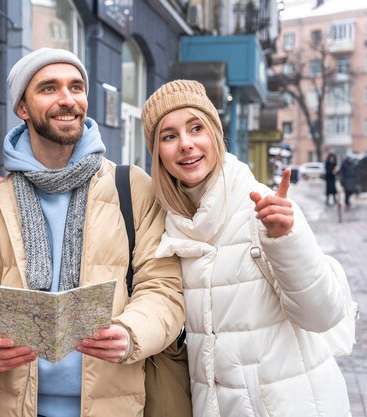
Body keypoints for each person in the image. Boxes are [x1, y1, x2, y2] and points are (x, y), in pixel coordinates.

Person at [0, 48, 187, 417]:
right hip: (17, 407)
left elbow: (163, 288)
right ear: (23, 108)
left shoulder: (131, 187)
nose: (67, 99)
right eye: (49, 88)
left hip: (114, 405)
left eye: (76, 87)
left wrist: (130, 333)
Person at [141, 80, 350, 417]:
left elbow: (322, 315)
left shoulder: (264, 208)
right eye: (169, 136)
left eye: (196, 128)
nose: (186, 144)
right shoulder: (169, 225)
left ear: (215, 135)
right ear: (157, 153)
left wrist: (287, 240)